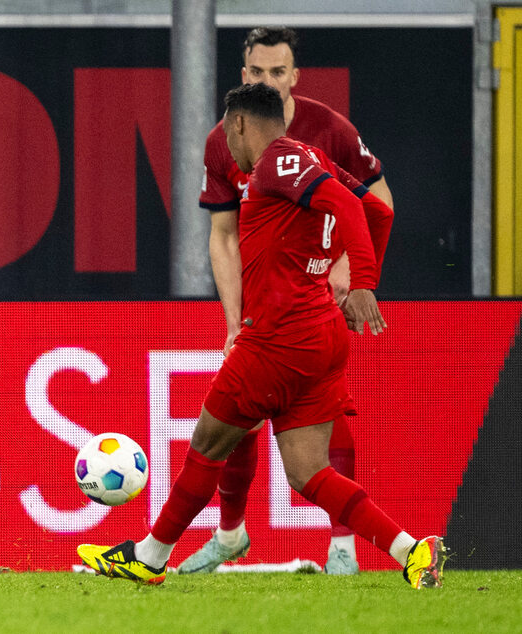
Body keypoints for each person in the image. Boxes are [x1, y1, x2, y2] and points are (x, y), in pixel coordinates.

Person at [78, 82, 446, 590]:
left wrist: (362, 281)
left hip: (277, 338)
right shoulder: (310, 156)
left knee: (207, 445)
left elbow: (350, 205)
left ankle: (148, 556)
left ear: (239, 124)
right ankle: (412, 550)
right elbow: (379, 210)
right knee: (308, 473)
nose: (226, 148)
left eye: (228, 136)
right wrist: (351, 275)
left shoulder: (275, 162)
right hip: (321, 334)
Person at [181, 26, 394, 576]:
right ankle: (231, 535)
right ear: (243, 75)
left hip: (317, 297)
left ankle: (342, 544)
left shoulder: (331, 129)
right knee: (248, 421)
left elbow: (378, 200)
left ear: (295, 77)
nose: (268, 82)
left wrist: (350, 268)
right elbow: (224, 235)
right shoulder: (224, 138)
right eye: (258, 72)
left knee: (320, 414)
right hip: (264, 304)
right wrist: (235, 318)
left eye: (279, 72)